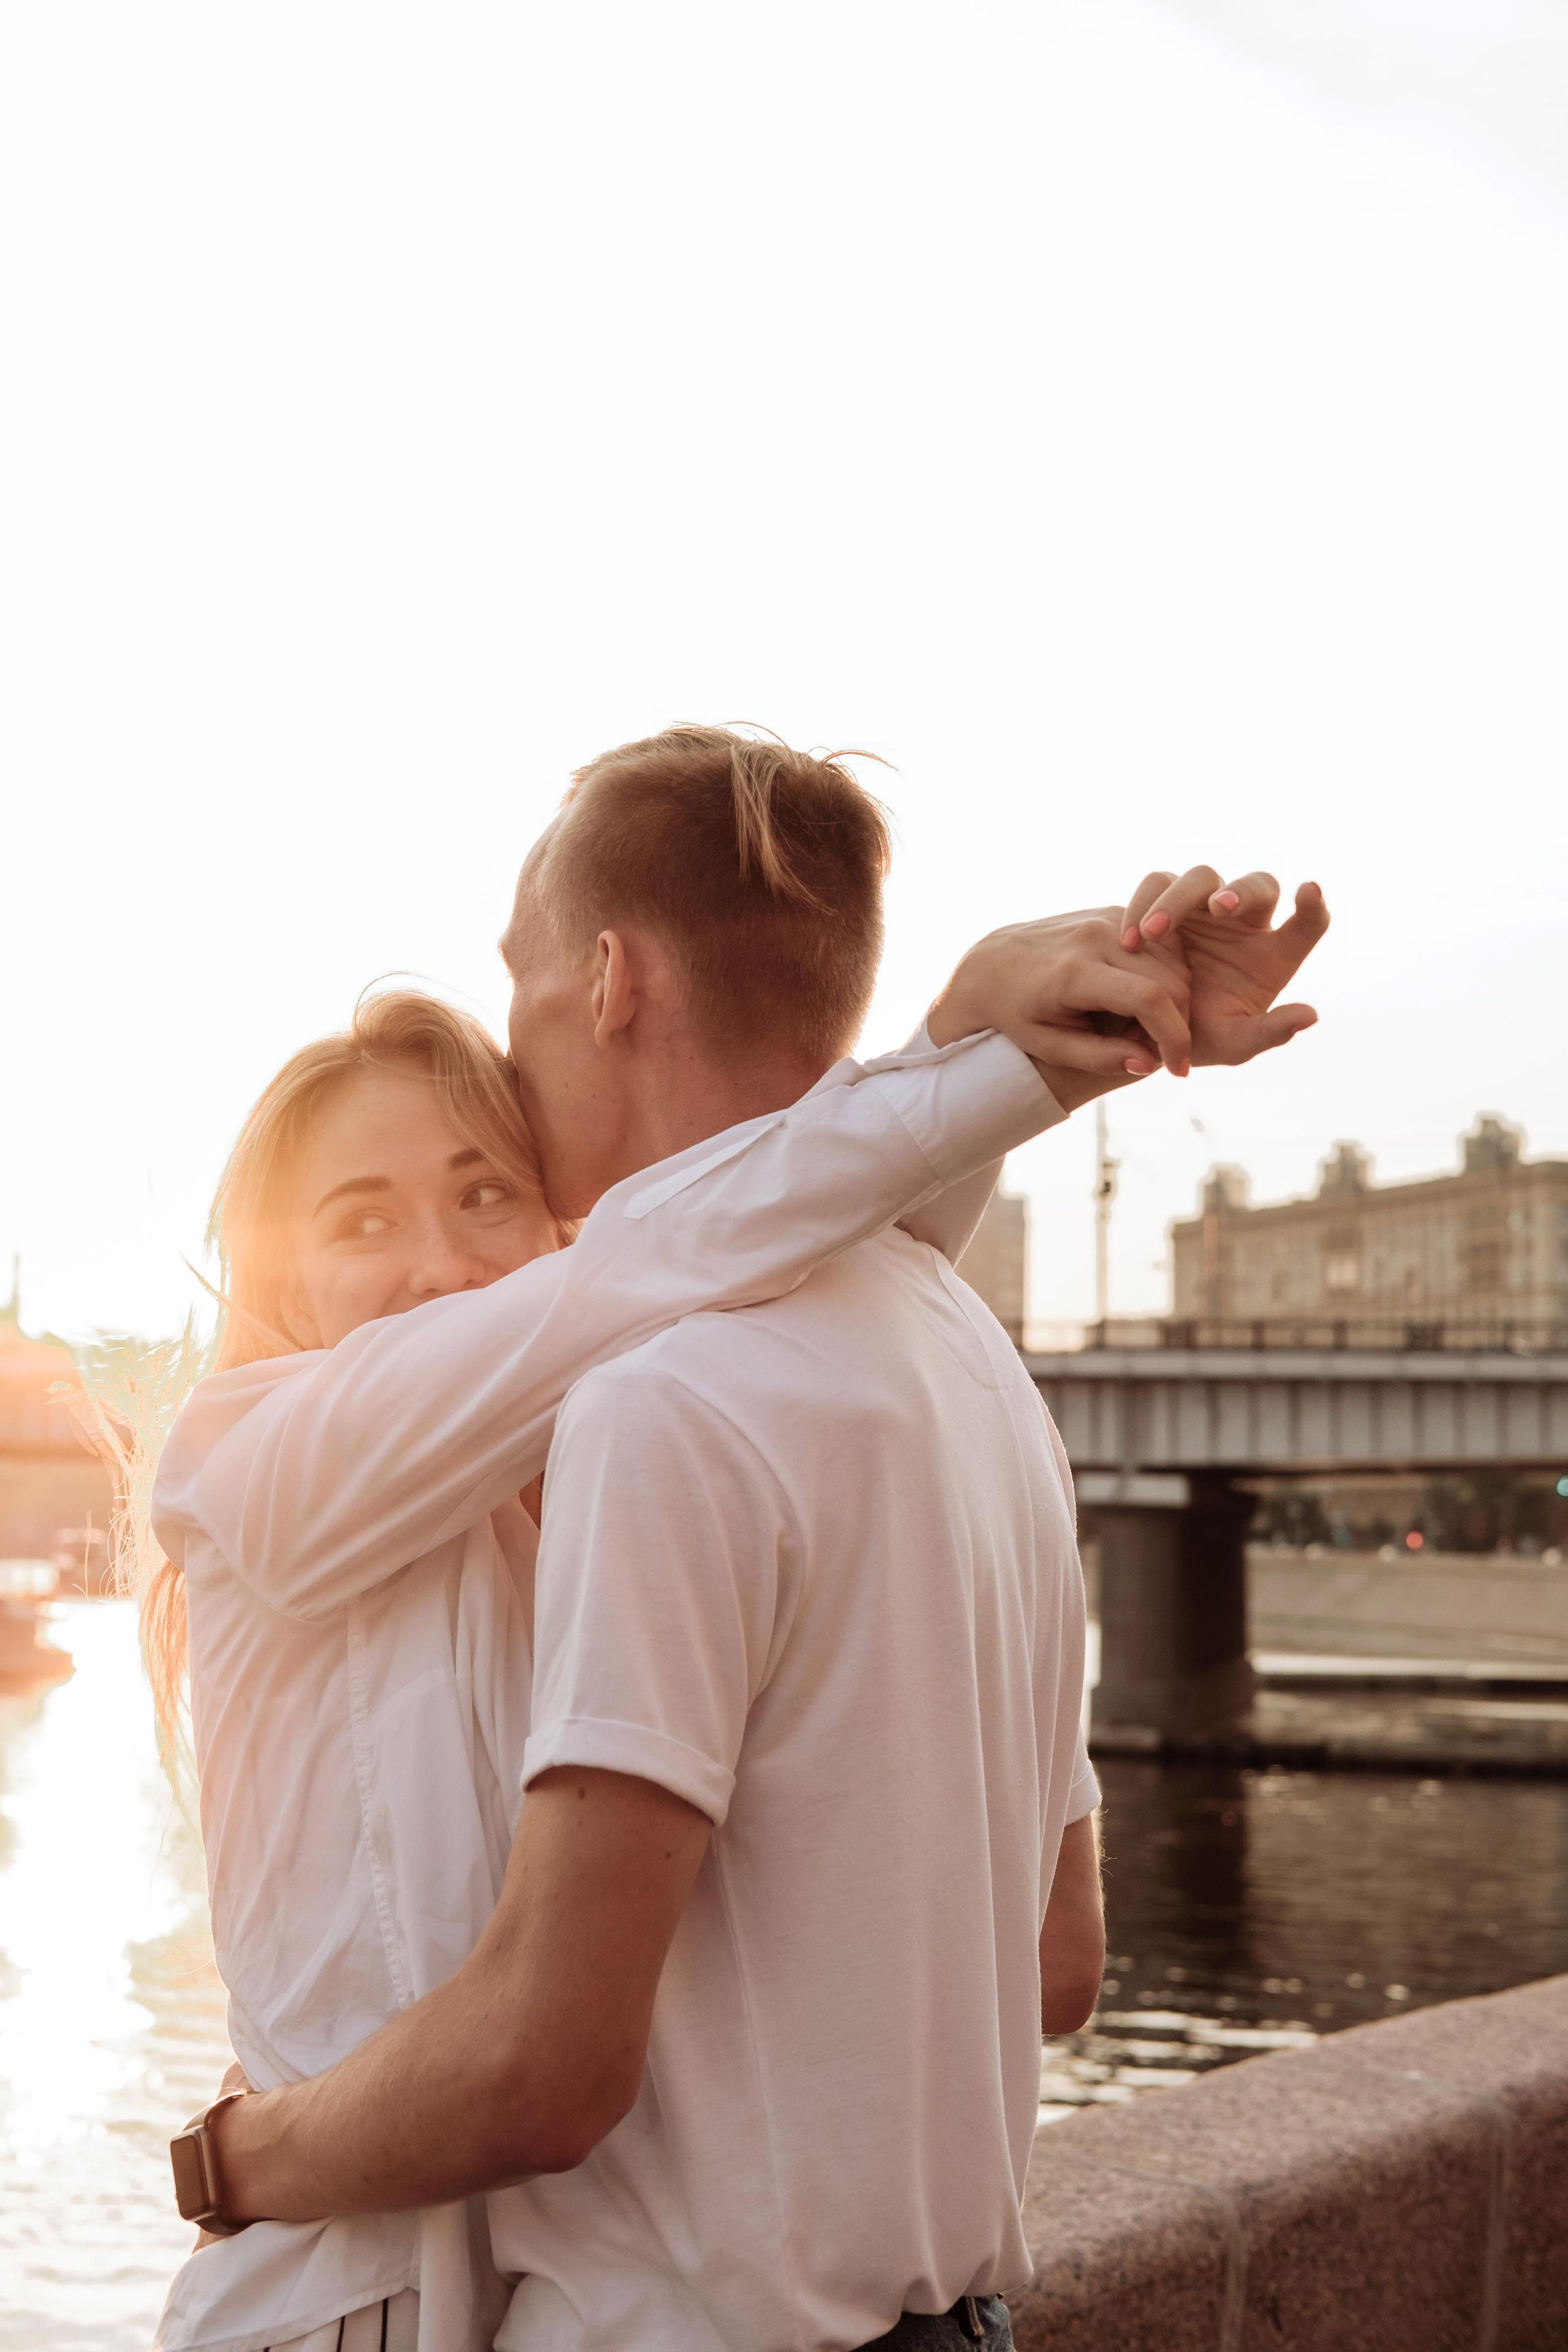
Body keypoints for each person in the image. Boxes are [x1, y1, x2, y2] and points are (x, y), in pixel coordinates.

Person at [156, 727, 1327, 2352]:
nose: (436, 1265)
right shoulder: (264, 1461)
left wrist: (239, 2154)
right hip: (354, 2303)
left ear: (610, 979)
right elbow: (1052, 1973)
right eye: (358, 1217)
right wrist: (983, 1060)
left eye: (483, 1189)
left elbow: (541, 2070)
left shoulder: (638, 1429)